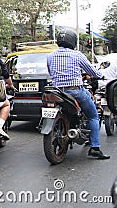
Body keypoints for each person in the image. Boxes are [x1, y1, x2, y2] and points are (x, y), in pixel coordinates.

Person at [47, 29, 110, 160]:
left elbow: (50, 72)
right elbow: (92, 71)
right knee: (93, 116)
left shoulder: (50, 56)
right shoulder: (77, 55)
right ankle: (95, 148)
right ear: (72, 41)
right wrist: (101, 76)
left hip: (57, 91)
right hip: (75, 91)